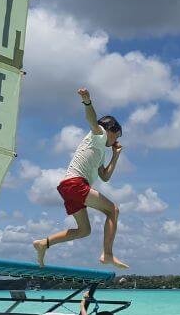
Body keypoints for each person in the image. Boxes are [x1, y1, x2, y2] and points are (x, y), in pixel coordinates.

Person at [33, 87, 129, 270]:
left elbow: (105, 176)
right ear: (112, 129)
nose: (117, 139)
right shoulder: (99, 133)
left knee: (84, 230)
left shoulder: (101, 152)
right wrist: (87, 101)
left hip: (68, 187)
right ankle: (108, 254)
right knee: (113, 210)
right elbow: (92, 120)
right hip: (75, 184)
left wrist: (115, 156)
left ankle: (44, 243)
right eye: (118, 135)